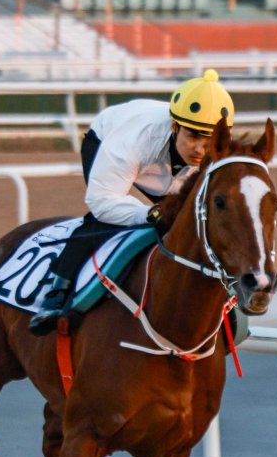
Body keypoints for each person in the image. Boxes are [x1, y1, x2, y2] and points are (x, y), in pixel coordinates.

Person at [27, 69, 235, 333]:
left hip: (166, 164)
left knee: (188, 225)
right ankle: (57, 292)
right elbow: (102, 201)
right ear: (175, 126)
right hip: (110, 139)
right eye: (193, 135)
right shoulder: (135, 140)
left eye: (209, 140)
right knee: (108, 219)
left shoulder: (217, 153)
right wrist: (149, 214)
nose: (200, 150)